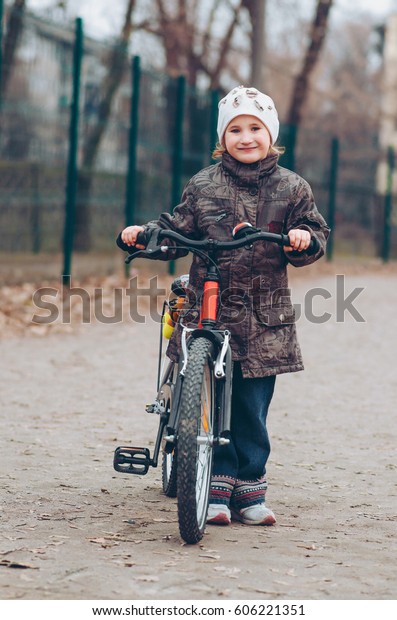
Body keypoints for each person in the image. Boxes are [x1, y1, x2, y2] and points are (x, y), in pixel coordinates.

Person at [118, 85, 330, 527]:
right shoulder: (203, 184)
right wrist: (145, 234)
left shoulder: (293, 187)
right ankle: (213, 485)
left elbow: (314, 233)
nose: (246, 136)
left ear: (271, 134)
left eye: (256, 127)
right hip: (208, 306)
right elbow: (176, 228)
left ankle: (250, 490)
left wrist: (303, 239)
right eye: (235, 129)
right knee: (212, 402)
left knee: (251, 408)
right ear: (222, 138)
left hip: (263, 320)